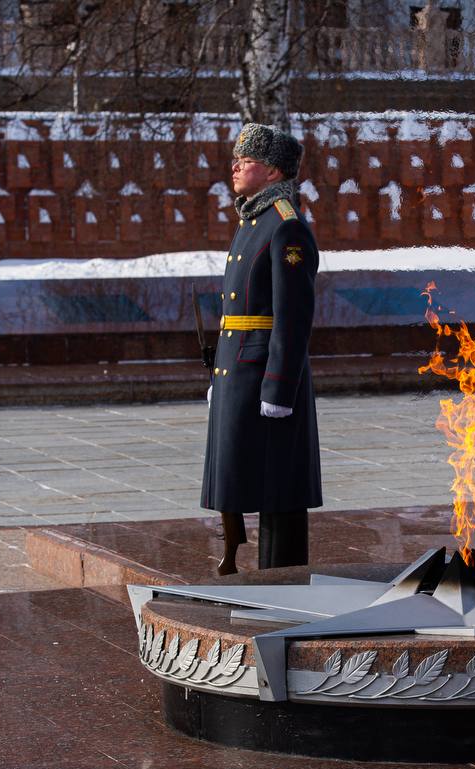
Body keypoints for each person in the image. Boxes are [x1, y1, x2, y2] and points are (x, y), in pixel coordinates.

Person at [201, 122, 322, 573]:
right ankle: (242, 562)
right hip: (239, 368)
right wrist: (219, 373)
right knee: (232, 477)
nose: (234, 167)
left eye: (246, 160)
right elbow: (236, 313)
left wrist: (278, 389)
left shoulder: (286, 227)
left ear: (273, 173)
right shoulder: (253, 219)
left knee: (279, 485)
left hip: (264, 374)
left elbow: (292, 318)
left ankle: (283, 575)